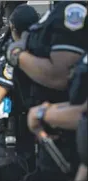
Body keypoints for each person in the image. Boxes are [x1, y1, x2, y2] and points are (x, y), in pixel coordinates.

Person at [6, 2, 88, 181]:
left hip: (66, 140)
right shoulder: (56, 11)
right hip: (57, 142)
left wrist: (16, 54)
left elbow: (59, 75)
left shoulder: (72, 9)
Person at [0, 6, 39, 181]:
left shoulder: (14, 54)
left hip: (13, 130)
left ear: (13, 27)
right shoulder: (45, 52)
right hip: (40, 129)